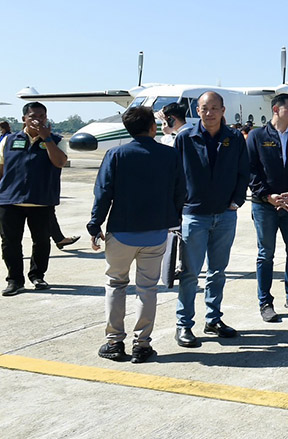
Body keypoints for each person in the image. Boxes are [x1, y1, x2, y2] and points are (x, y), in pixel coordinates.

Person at [87, 105, 185, 363]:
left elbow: (103, 192)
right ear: (153, 127)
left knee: (115, 284)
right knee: (147, 288)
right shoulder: (169, 155)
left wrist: (95, 224)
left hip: (121, 232)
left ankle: (114, 342)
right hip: (155, 233)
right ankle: (142, 344)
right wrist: (173, 219)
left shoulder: (116, 154)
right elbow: (180, 191)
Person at [173, 92, 250, 348]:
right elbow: (175, 173)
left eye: (214, 108)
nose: (210, 113)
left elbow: (243, 171)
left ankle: (213, 319)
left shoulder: (234, 138)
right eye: (205, 108)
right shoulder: (185, 137)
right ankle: (184, 324)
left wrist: (237, 200)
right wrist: (178, 206)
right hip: (194, 214)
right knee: (190, 273)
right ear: (197, 110)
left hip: (225, 215)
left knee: (217, 272)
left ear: (223, 110)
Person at [247, 93, 288, 323]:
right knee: (266, 254)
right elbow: (251, 169)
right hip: (264, 206)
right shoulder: (257, 136)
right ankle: (265, 302)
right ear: (276, 110)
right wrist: (267, 195)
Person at [0, 102, 68, 296]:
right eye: (33, 116)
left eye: (42, 116)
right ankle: (15, 280)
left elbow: (59, 162)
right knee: (10, 242)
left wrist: (47, 139)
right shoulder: (9, 140)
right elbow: (1, 168)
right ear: (24, 119)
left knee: (41, 241)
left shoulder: (57, 140)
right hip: (10, 201)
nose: (37, 120)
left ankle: (37, 276)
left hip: (41, 200)